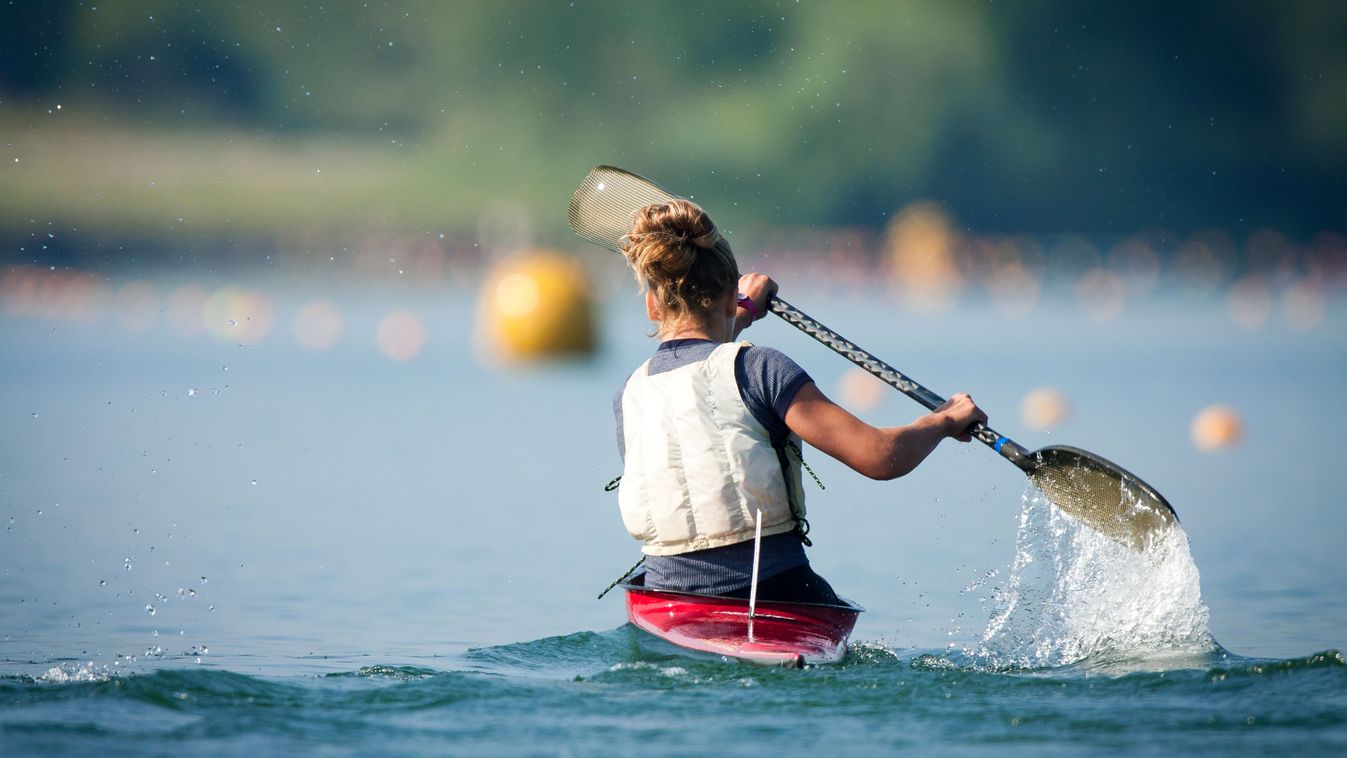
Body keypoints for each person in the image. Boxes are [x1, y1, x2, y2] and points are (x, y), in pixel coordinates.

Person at [613, 198, 986, 604]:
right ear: (726, 298)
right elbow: (880, 457)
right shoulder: (762, 368)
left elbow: (701, 376)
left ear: (652, 306)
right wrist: (943, 421)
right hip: (772, 590)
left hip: (667, 598)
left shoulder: (629, 395)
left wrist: (742, 312)